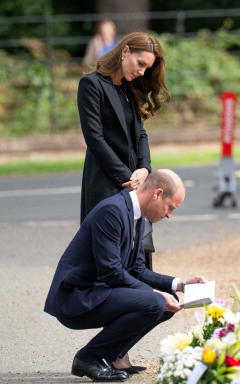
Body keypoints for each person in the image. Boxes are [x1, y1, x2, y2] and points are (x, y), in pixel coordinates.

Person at [44, 170, 207, 382]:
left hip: (98, 290)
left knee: (167, 303)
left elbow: (138, 270)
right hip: (77, 296)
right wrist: (154, 293)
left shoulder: (136, 215)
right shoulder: (112, 211)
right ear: (157, 194)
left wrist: (181, 284)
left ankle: (114, 354)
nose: (169, 215)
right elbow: (110, 271)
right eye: (170, 208)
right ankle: (88, 358)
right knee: (156, 302)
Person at [78, 31, 170, 270]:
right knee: (108, 260)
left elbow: (140, 134)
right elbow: (95, 139)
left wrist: (144, 168)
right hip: (105, 183)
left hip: (134, 183)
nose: (141, 72)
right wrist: (127, 178)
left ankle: (137, 305)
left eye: (146, 69)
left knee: (136, 259)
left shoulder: (129, 88)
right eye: (140, 64)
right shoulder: (91, 85)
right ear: (125, 50)